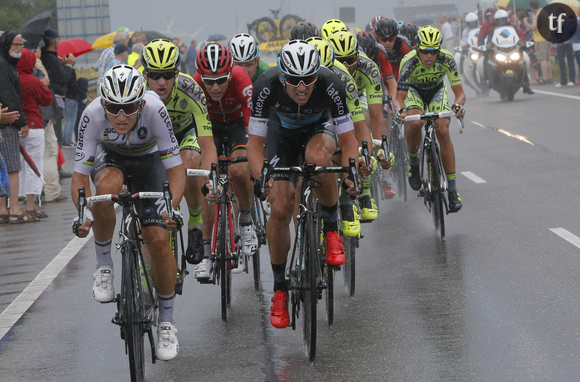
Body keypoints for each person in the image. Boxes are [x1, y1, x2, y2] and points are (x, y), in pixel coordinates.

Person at [71, 65, 184, 361]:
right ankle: (104, 265)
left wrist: (173, 207)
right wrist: (82, 214)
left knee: (158, 240)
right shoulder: (92, 114)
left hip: (150, 165)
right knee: (104, 189)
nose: (121, 117)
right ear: (103, 103)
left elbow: (175, 168)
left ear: (141, 103)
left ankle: (167, 323)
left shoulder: (156, 109)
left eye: (129, 108)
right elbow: (80, 177)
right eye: (114, 108)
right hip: (112, 160)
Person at [246, 40, 361, 328]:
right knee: (281, 210)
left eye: (308, 79)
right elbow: (255, 145)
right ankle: (280, 289)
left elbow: (348, 141)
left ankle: (331, 230)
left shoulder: (331, 83)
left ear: (317, 75)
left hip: (318, 129)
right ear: (282, 76)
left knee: (318, 158)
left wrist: (350, 173)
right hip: (280, 136)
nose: (301, 87)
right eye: (294, 80)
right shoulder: (265, 84)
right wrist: (261, 176)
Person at [141, 38, 218, 266]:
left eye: (168, 74)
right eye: (155, 75)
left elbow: (207, 144)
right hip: (152, 139)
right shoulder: (136, 90)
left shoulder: (191, 90)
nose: (162, 82)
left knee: (189, 166)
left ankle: (195, 225)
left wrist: (210, 178)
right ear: (145, 75)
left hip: (185, 134)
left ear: (177, 73)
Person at [191, 42, 258, 279]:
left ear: (231, 73)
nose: (215, 87)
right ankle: (208, 255)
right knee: (208, 183)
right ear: (201, 77)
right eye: (209, 81)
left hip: (238, 125)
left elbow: (253, 130)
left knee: (240, 170)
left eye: (221, 80)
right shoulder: (194, 84)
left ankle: (247, 219)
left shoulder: (242, 80)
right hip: (210, 128)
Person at [396, 25, 465, 212]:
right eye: (425, 51)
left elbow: (460, 94)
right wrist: (400, 111)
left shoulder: (447, 59)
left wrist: (458, 105)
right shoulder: (408, 62)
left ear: (439, 50)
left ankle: (452, 190)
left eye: (434, 52)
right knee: (416, 122)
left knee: (442, 130)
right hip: (414, 92)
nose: (429, 56)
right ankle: (414, 163)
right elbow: (399, 98)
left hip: (436, 91)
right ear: (417, 48)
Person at [327, 30, 392, 221]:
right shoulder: (326, 69)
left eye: (350, 60)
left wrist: (378, 150)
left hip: (360, 94)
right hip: (332, 100)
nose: (346, 66)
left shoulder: (368, 67)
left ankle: (364, 189)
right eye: (340, 60)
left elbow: (377, 116)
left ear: (358, 55)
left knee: (362, 123)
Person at [0, 32, 37, 224]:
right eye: (15, 44)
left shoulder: (6, 64)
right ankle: (14, 209)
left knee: (2, 168)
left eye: (20, 45)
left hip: (4, 120)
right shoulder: (4, 65)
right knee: (12, 168)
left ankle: (3, 210)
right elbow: (9, 96)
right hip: (7, 123)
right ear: (6, 45)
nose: (18, 48)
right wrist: (21, 120)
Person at [17, 48, 53, 218]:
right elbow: (46, 100)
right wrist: (44, 86)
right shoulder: (32, 81)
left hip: (13, 125)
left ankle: (14, 205)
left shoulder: (10, 78)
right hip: (33, 125)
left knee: (16, 167)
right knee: (33, 165)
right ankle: (30, 206)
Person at [41, 29, 75, 145]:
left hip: (49, 99)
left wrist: (63, 65)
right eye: (59, 39)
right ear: (55, 40)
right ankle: (57, 160)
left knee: (52, 135)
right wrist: (69, 65)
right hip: (54, 100)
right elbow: (62, 78)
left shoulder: (43, 56)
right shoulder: (50, 58)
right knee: (56, 136)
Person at [523, 0, 553, 84]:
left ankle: (545, 78)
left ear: (531, 7)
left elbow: (533, 28)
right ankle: (549, 77)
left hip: (540, 39)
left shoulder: (538, 15)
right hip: (547, 38)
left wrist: (526, 22)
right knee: (547, 60)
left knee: (542, 60)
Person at [62, 57, 78, 147]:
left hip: (65, 97)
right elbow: (74, 85)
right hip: (72, 98)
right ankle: (68, 140)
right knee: (71, 119)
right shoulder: (70, 71)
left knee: (67, 119)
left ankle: (64, 139)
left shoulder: (63, 70)